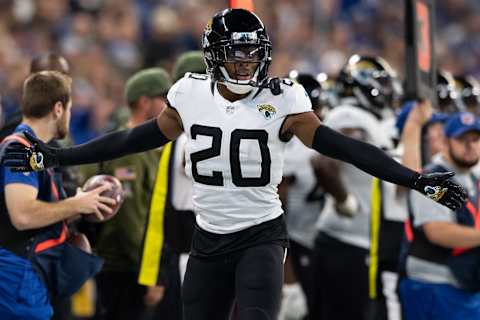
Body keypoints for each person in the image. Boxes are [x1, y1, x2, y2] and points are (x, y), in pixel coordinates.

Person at [2, 9, 466, 320]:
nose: (245, 63)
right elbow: (132, 138)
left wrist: (417, 178)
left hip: (262, 233)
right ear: (213, 53)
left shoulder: (283, 97)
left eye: (251, 52)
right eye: (235, 52)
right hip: (207, 239)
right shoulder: (189, 93)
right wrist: (57, 154)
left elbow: (339, 146)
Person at [0, 71, 115, 320]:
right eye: (71, 108)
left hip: (28, 277)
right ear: (59, 108)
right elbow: (22, 215)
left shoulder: (37, 149)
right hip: (16, 279)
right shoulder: (20, 148)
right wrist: (76, 204)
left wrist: (83, 203)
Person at [78, 68, 174, 320]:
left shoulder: (148, 147)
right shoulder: (130, 150)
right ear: (144, 102)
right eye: (162, 98)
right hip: (124, 267)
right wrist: (151, 273)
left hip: (134, 263)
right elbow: (128, 221)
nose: (168, 105)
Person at [400, 112, 480, 320]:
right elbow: (437, 231)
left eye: (475, 139)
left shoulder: (472, 178)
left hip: (463, 283)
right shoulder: (433, 179)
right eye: (462, 140)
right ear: (445, 142)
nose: (470, 146)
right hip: (433, 284)